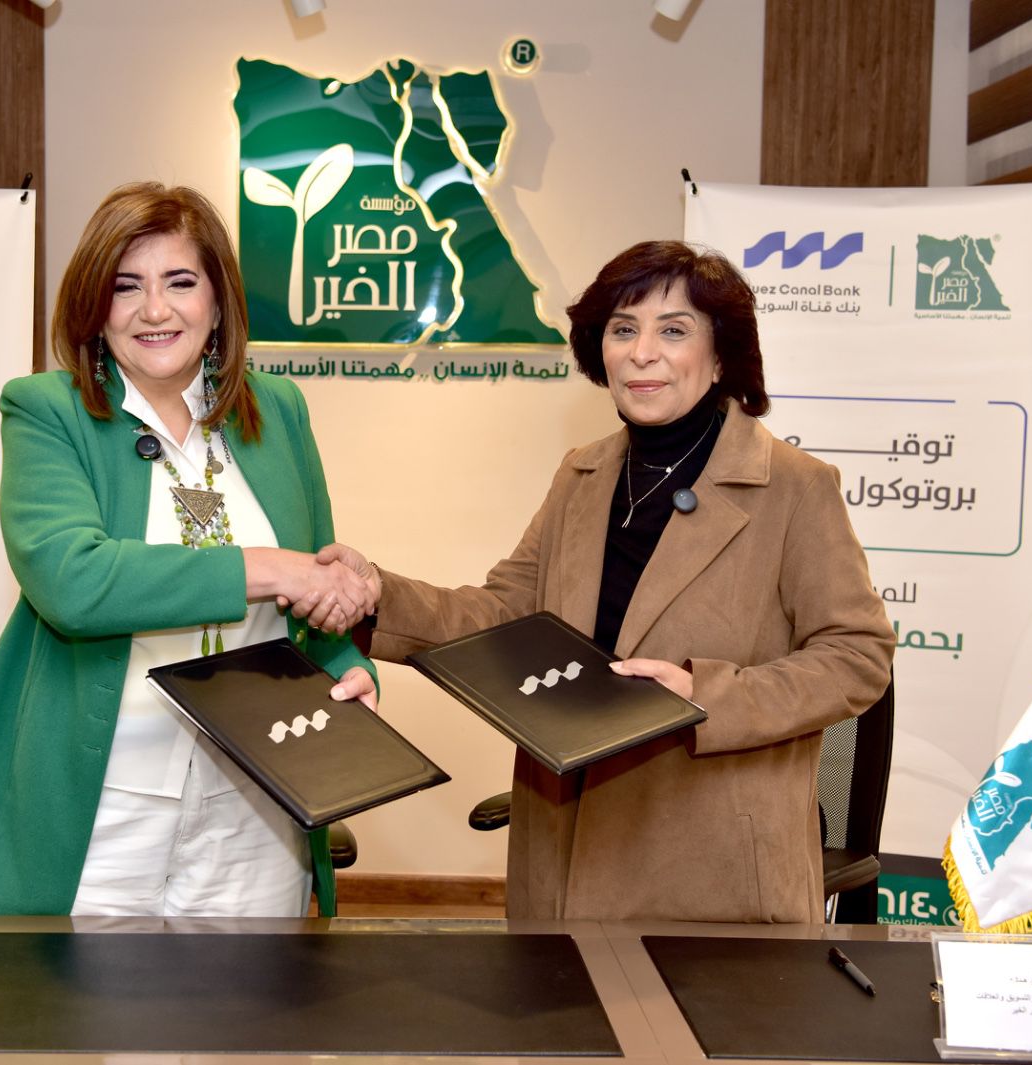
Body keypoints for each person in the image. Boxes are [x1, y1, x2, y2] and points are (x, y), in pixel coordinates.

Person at [319, 241, 893, 923]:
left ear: (721, 356)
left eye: (673, 330)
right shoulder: (581, 474)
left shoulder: (796, 488)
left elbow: (857, 655)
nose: (642, 352)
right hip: (564, 846)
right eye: (624, 329)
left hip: (713, 863)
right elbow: (505, 616)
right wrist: (378, 594)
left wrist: (703, 694)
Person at [0, 182, 377, 917]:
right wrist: (266, 568)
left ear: (218, 301)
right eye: (127, 287)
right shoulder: (48, 410)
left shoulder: (278, 409)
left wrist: (347, 669)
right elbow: (73, 580)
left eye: (180, 282)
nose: (155, 310)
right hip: (104, 801)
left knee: (251, 995)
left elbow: (313, 593)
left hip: (260, 797)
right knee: (85, 997)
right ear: (96, 306)